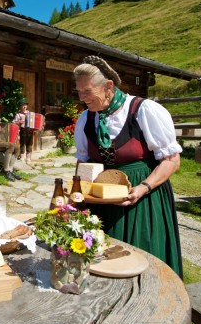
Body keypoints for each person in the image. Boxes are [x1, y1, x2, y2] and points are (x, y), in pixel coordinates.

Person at [73, 55, 183, 278]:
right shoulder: (86, 119)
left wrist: (142, 188)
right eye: (78, 92)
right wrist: (77, 192)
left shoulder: (144, 110)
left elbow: (171, 160)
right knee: (100, 261)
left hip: (143, 200)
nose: (82, 98)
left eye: (87, 91)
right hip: (101, 202)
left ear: (108, 87)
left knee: (143, 256)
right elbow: (83, 161)